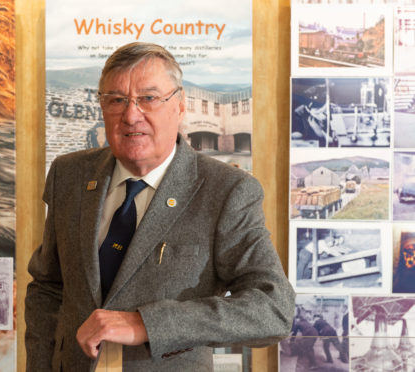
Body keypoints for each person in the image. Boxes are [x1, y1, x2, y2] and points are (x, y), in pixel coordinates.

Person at [25, 42, 295, 371]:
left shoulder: (227, 191)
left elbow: (273, 309)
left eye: (148, 99)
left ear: (179, 106)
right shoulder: (68, 175)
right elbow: (48, 288)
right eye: (116, 100)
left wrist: (147, 324)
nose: (130, 115)